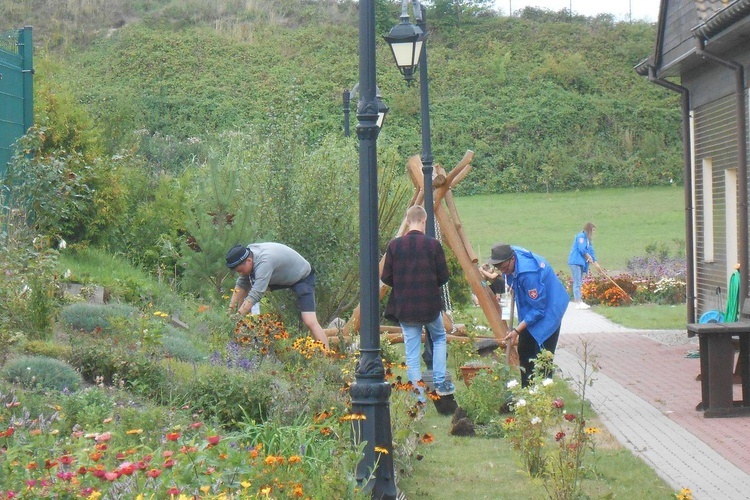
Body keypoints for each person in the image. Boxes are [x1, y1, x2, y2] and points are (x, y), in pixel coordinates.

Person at [381, 205, 455, 400]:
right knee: (439, 338)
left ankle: (419, 400)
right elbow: (444, 276)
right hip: (430, 305)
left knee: (411, 355)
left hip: (405, 307)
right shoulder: (433, 245)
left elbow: (386, 277)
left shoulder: (394, 246)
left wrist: (402, 283)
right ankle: (440, 383)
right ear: (424, 220)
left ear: (407, 220)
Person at [488, 243, 569, 387]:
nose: (502, 271)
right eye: (499, 268)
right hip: (533, 307)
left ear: (512, 259)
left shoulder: (528, 273)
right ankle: (526, 395)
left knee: (544, 356)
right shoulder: (510, 256)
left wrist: (517, 330)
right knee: (525, 352)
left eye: (504, 268)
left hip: (550, 310)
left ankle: (545, 396)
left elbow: (539, 309)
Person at [226, 242, 329, 349]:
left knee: (309, 321)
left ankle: (328, 357)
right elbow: (242, 283)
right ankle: (242, 339)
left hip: (303, 277)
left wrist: (237, 316)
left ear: (249, 261)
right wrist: (230, 310)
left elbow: (256, 294)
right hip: (282, 275)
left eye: (240, 270)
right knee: (246, 284)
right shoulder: (249, 255)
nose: (240, 273)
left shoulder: (264, 263)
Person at [567, 222, 600, 310]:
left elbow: (591, 250)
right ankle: (578, 302)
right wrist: (588, 257)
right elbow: (582, 249)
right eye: (593, 230)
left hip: (581, 263)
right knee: (577, 282)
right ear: (588, 230)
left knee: (579, 282)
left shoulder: (588, 240)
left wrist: (595, 262)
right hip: (576, 262)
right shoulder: (581, 237)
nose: (594, 232)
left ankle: (580, 300)